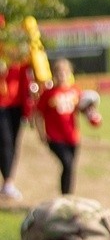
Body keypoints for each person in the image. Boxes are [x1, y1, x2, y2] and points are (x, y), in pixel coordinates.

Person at [35, 58, 102, 196]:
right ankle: (65, 196)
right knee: (67, 163)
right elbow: (38, 114)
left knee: (71, 167)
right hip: (55, 137)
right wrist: (41, 133)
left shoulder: (75, 91)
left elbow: (83, 109)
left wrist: (93, 115)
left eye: (64, 72)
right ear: (54, 74)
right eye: (59, 73)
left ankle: (69, 195)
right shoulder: (48, 93)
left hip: (72, 136)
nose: (62, 76)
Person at [0, 39, 29, 201]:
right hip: (1, 104)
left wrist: (27, 108)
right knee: (4, 142)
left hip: (16, 106)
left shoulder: (20, 53)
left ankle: (8, 183)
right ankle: (7, 183)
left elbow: (25, 79)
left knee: (12, 143)